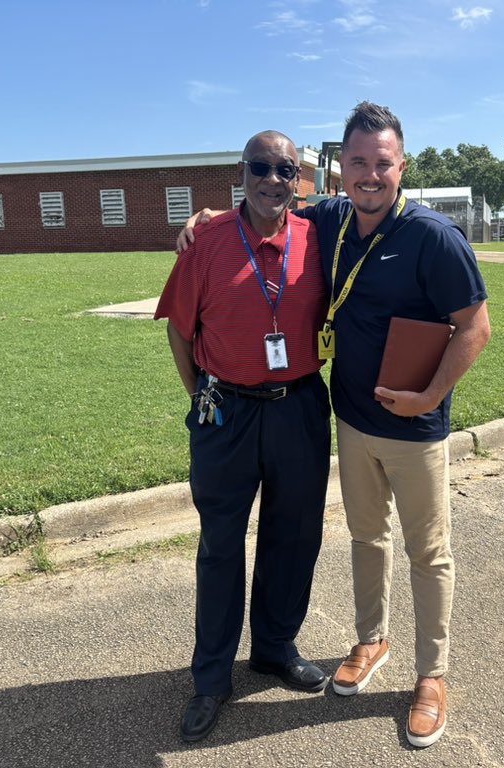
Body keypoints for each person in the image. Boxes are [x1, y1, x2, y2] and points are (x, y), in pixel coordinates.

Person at [179, 101, 491, 748]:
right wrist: (206, 218)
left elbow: (475, 327)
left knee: (357, 546)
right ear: (339, 170)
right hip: (288, 414)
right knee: (274, 544)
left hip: (351, 415)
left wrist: (431, 394)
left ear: (401, 166)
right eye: (357, 164)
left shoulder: (389, 233)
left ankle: (380, 667)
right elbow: (186, 323)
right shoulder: (294, 225)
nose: (368, 175)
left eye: (382, 163)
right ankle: (229, 672)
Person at [155, 130, 332, 744]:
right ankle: (211, 678)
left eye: (285, 169)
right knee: (222, 545)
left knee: (295, 534)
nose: (272, 179)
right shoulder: (204, 239)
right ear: (242, 171)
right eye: (261, 167)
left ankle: (276, 648)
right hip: (226, 410)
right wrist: (200, 394)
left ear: (298, 179)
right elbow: (179, 330)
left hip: (300, 407)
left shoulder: (319, 236)